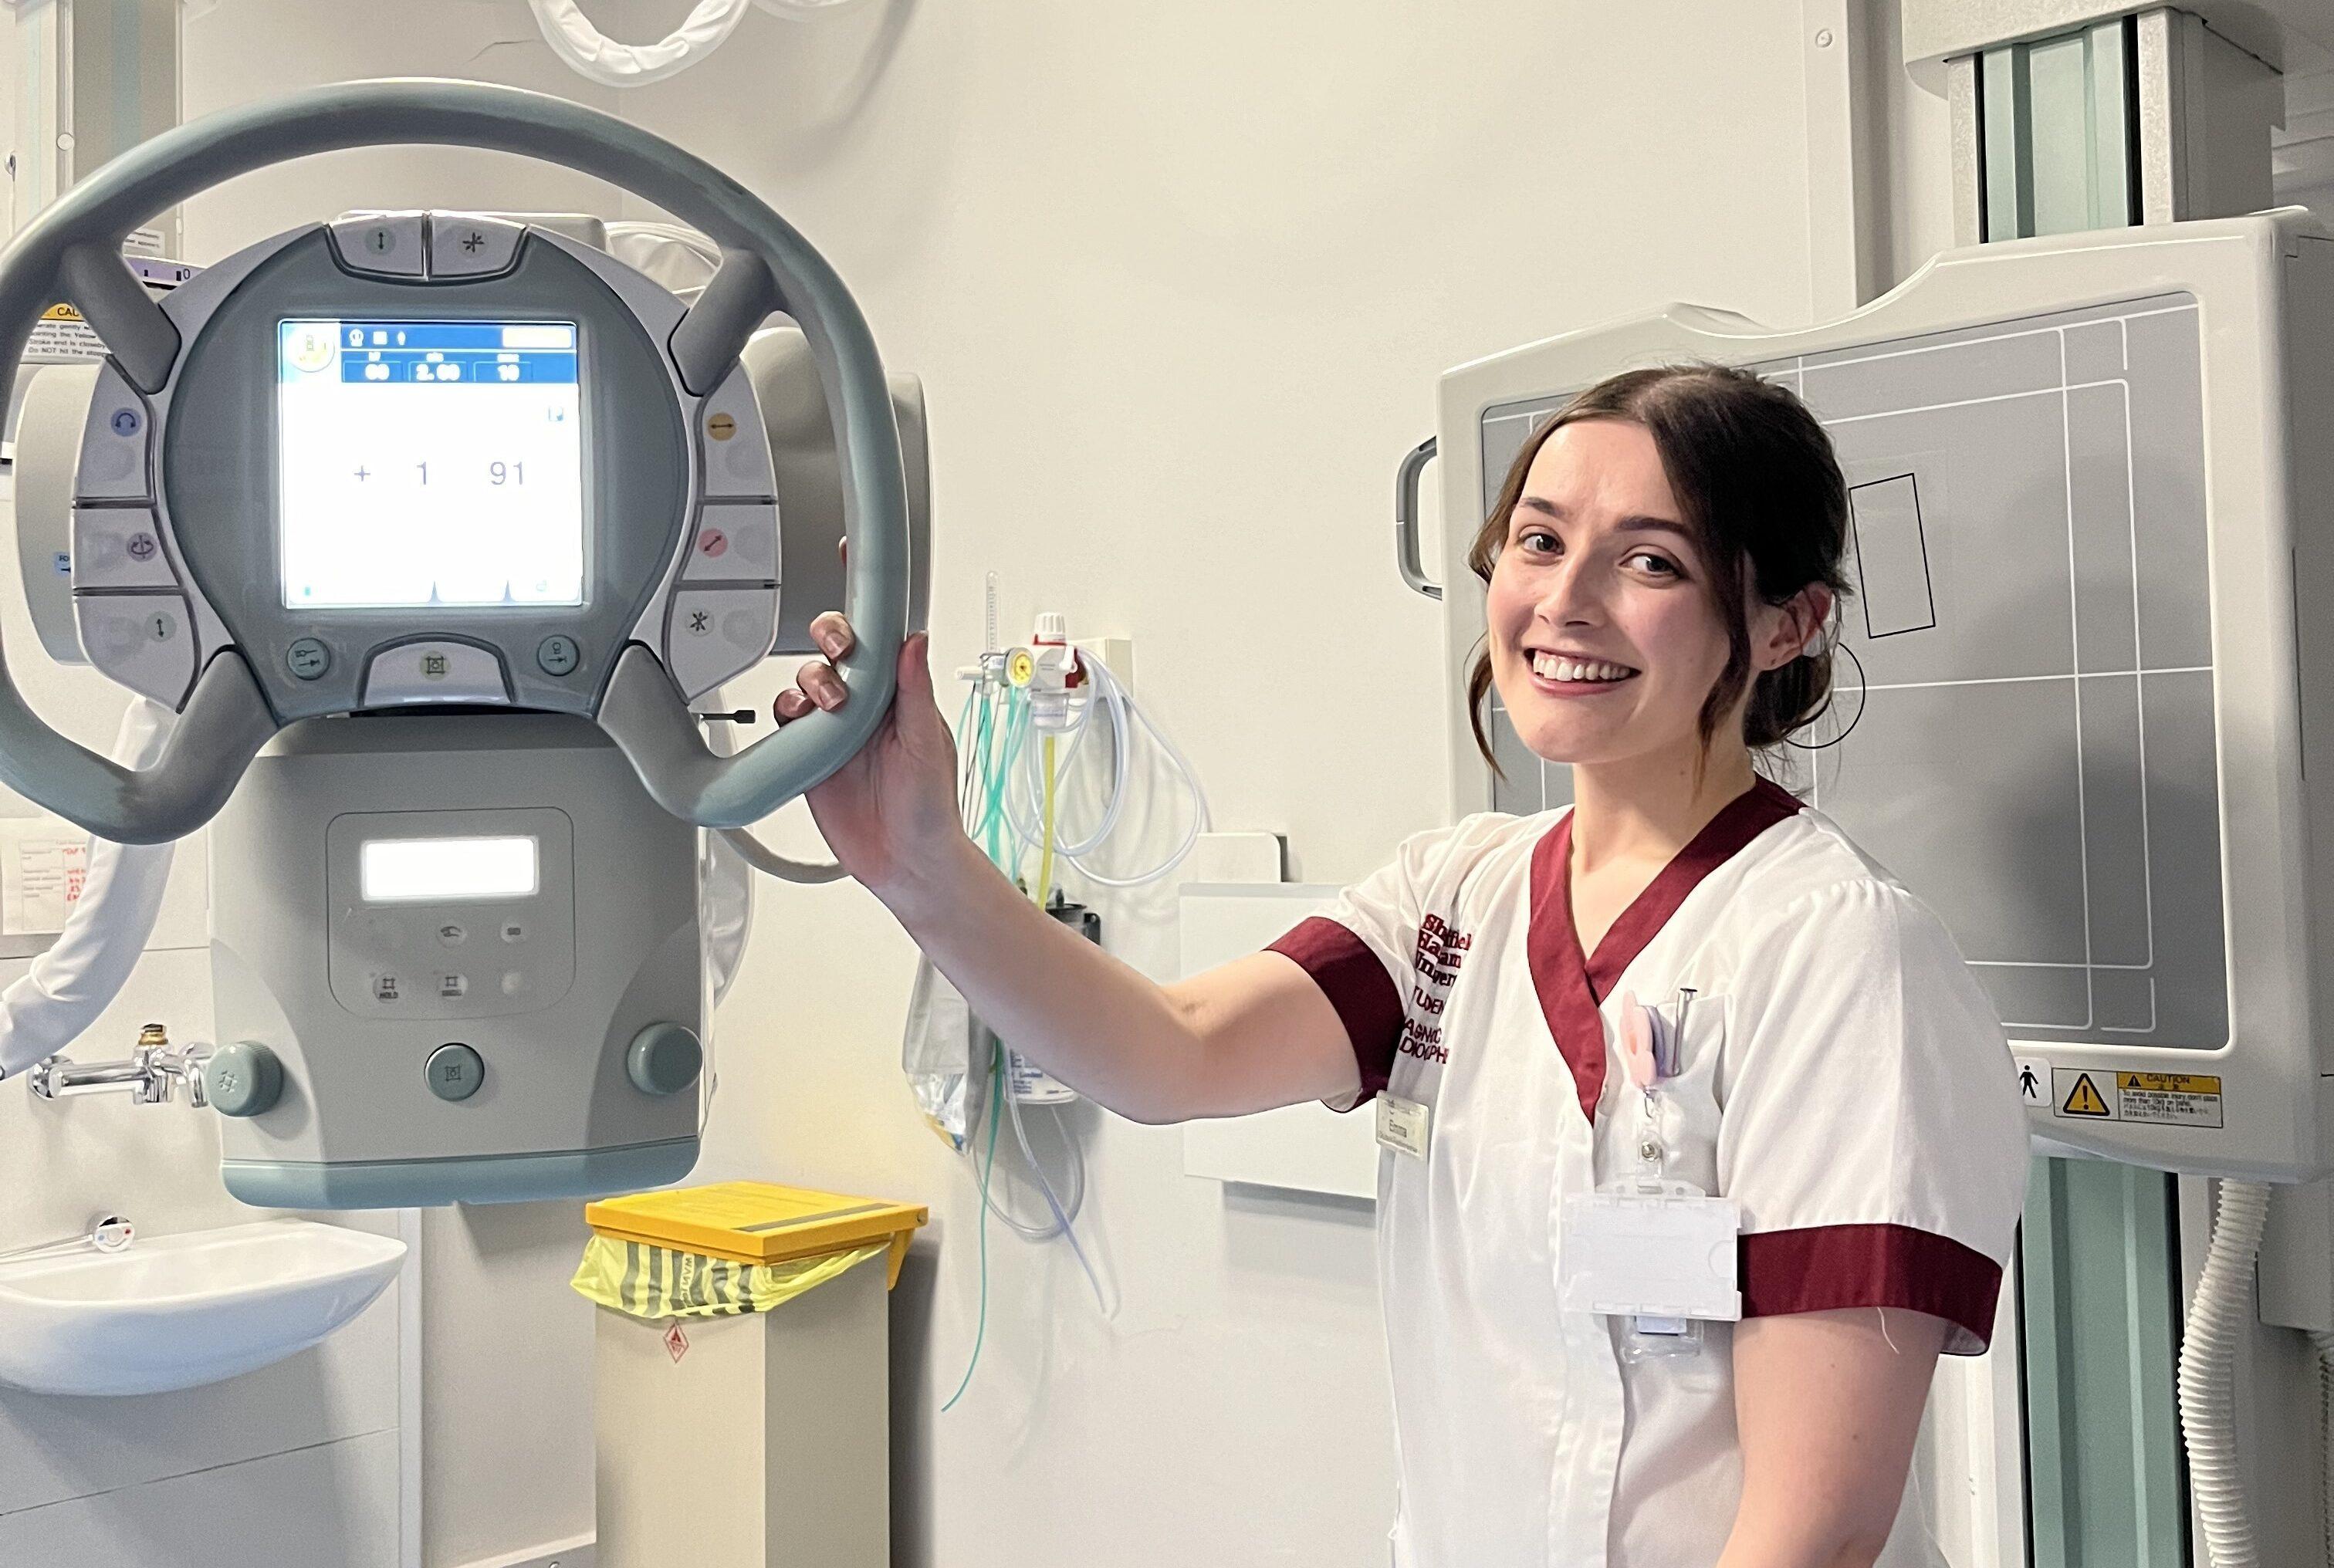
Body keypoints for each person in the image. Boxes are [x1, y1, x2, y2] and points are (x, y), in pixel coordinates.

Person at [776, 363, 2029, 1568]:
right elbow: (1171, 1052)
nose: (1566, 601)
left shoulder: (1841, 950)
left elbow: (1820, 1531)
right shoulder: (1458, 893)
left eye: (1652, 561)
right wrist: (922, 867)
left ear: (1786, 624)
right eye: (1539, 543)